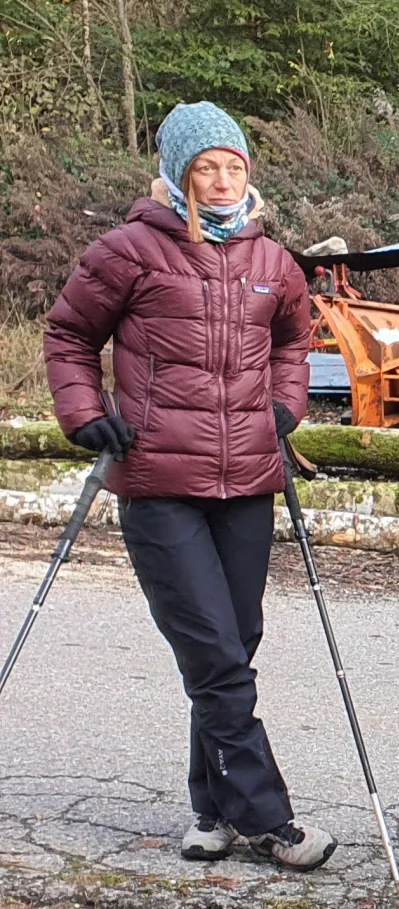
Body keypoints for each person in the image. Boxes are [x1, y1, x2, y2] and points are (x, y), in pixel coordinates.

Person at [42, 101, 334, 870]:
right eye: (207, 167)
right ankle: (270, 821)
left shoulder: (272, 262)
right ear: (179, 175)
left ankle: (211, 812)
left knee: (232, 648)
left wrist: (286, 405)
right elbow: (69, 334)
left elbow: (294, 342)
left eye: (234, 165)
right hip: (159, 482)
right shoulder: (129, 252)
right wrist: (84, 414)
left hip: (248, 481)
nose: (223, 180)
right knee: (215, 654)